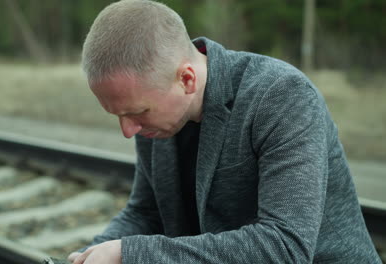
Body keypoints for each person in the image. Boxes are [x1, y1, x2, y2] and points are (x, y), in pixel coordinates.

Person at [68, 0, 381, 263]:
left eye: (135, 113)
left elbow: (285, 246)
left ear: (187, 79)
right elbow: (146, 214)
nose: (128, 130)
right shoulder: (153, 115)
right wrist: (91, 254)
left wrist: (130, 254)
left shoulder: (281, 96)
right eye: (118, 116)